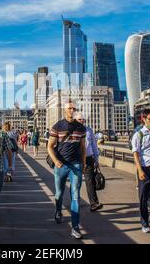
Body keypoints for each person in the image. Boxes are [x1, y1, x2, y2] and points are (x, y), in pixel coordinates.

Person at [47, 101, 86, 239]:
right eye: (70, 108)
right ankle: (58, 211)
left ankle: (75, 228)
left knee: (75, 196)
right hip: (61, 165)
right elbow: (50, 146)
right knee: (58, 193)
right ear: (64, 110)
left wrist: (83, 163)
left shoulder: (81, 128)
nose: (72, 110)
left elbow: (82, 147)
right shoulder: (58, 126)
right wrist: (56, 161)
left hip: (75, 166)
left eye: (74, 108)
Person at [75, 112, 103, 212]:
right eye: (79, 119)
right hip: (76, 159)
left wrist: (96, 159)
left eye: (83, 119)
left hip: (88, 158)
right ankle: (75, 202)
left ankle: (94, 203)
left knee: (90, 181)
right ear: (75, 120)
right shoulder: (71, 131)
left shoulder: (89, 131)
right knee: (76, 181)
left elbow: (94, 145)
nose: (82, 121)